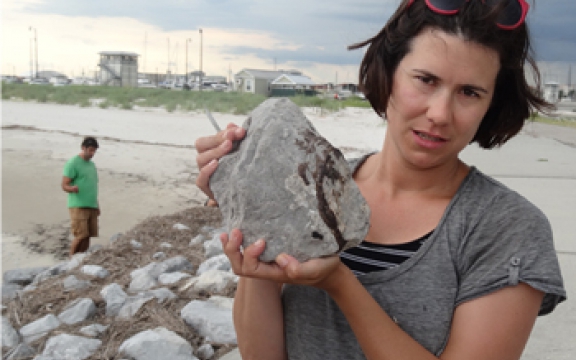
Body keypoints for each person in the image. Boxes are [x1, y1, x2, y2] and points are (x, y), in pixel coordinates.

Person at [194, 0, 566, 359]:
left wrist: (340, 283)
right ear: (387, 74)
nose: (439, 113)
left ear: (492, 105)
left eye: (469, 92)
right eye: (425, 80)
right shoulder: (307, 193)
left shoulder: (507, 228)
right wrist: (253, 210)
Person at [62, 136, 100, 256]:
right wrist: (71, 188)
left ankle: (81, 260)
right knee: (80, 235)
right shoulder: (73, 163)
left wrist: (97, 205)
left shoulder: (92, 165)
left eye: (94, 150)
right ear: (83, 148)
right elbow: (64, 185)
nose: (92, 153)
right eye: (90, 150)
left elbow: (93, 186)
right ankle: (71, 260)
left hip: (91, 204)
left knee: (88, 235)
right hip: (78, 205)